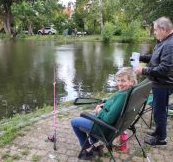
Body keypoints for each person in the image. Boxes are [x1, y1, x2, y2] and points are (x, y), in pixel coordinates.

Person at [71, 67, 137, 159]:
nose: (119, 84)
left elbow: (109, 119)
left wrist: (99, 111)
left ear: (132, 82)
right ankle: (96, 145)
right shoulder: (130, 91)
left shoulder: (123, 96)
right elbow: (115, 105)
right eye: (118, 80)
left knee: (74, 121)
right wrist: (106, 104)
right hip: (110, 126)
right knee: (87, 117)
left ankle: (87, 149)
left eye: (123, 81)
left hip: (104, 128)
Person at [135, 16, 173, 146]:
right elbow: (154, 58)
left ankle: (161, 138)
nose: (154, 32)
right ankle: (158, 131)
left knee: (159, 111)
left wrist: (143, 71)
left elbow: (164, 69)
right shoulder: (163, 41)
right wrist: (140, 57)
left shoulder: (170, 44)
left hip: (163, 83)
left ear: (164, 29)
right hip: (159, 82)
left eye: (156, 30)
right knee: (158, 110)